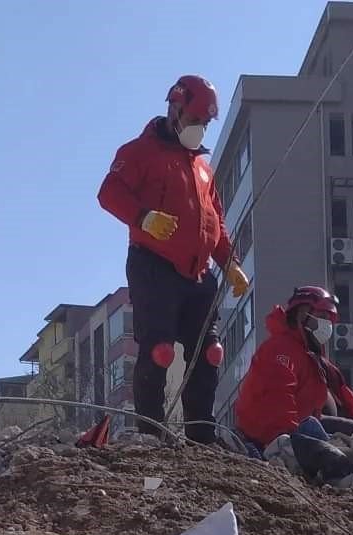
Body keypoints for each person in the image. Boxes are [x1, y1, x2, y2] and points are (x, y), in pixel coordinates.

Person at [97, 75, 249, 443]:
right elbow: (109, 192)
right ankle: (151, 432)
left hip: (198, 273)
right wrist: (144, 217)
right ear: (175, 109)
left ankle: (201, 436)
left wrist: (229, 261)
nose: (200, 129)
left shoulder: (202, 168)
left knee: (208, 352)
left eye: (205, 123)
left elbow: (215, 218)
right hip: (154, 264)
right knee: (160, 350)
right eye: (195, 120)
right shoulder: (139, 152)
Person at [235, 286, 353, 477]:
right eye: (322, 317)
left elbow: (341, 389)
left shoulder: (311, 355)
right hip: (269, 435)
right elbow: (279, 402)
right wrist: (300, 441)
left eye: (329, 320)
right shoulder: (279, 351)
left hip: (301, 422)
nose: (327, 326)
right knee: (336, 460)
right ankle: (348, 482)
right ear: (302, 314)